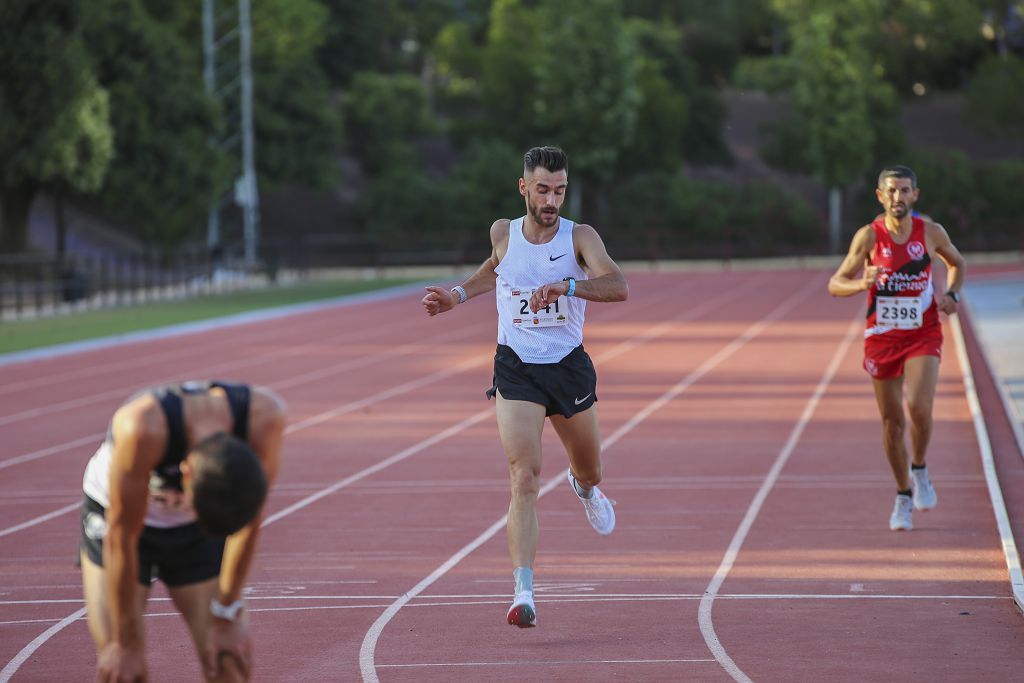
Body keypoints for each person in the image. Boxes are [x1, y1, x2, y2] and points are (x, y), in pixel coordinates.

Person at [422, 146, 629, 628]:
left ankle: (586, 489)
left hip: (568, 368)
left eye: (559, 190)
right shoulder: (503, 232)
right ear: (524, 189)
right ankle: (523, 591)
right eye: (542, 190)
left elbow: (618, 285)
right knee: (524, 475)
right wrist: (456, 295)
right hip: (515, 367)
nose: (551, 199)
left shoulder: (580, 237)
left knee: (591, 468)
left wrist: (568, 286)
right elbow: (495, 268)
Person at [79, 380, 286, 682]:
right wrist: (125, 643)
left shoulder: (264, 418)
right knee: (123, 669)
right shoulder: (142, 427)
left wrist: (227, 612)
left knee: (227, 661)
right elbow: (122, 537)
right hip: (119, 519)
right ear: (185, 472)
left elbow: (250, 520)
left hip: (197, 524)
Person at [828, 165, 965, 531]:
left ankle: (919, 468)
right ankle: (903, 493)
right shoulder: (868, 238)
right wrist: (860, 284)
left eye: (904, 191)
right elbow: (835, 283)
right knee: (892, 423)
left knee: (919, 408)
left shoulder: (931, 233)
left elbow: (957, 263)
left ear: (915, 195)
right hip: (882, 337)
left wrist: (951, 293)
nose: (897, 198)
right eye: (890, 191)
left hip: (923, 332)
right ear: (880, 195)